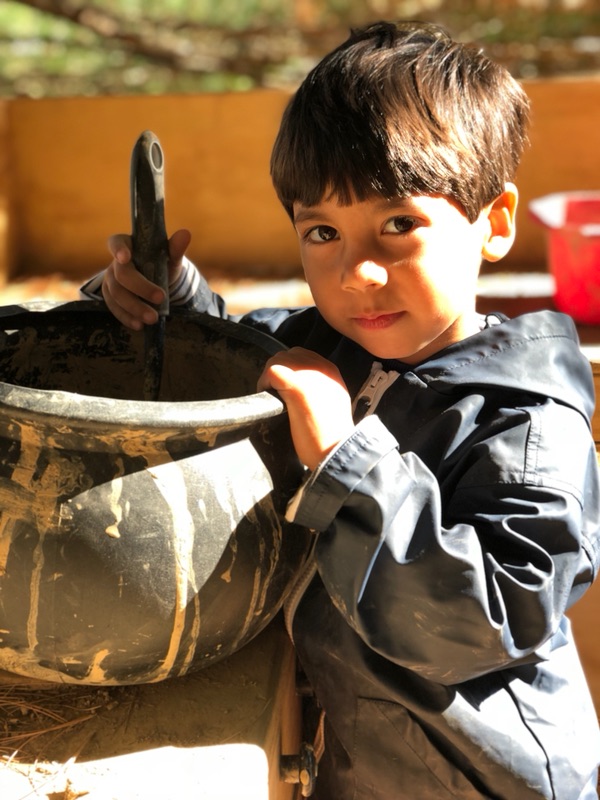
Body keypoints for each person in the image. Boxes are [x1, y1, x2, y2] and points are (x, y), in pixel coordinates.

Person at [82, 20, 600, 799]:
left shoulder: (528, 425)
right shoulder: (336, 346)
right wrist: (167, 301)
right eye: (322, 231)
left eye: (398, 225)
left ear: (494, 224)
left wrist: (345, 460)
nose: (356, 272)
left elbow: (484, 623)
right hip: (362, 763)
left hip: (485, 783)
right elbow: (239, 355)